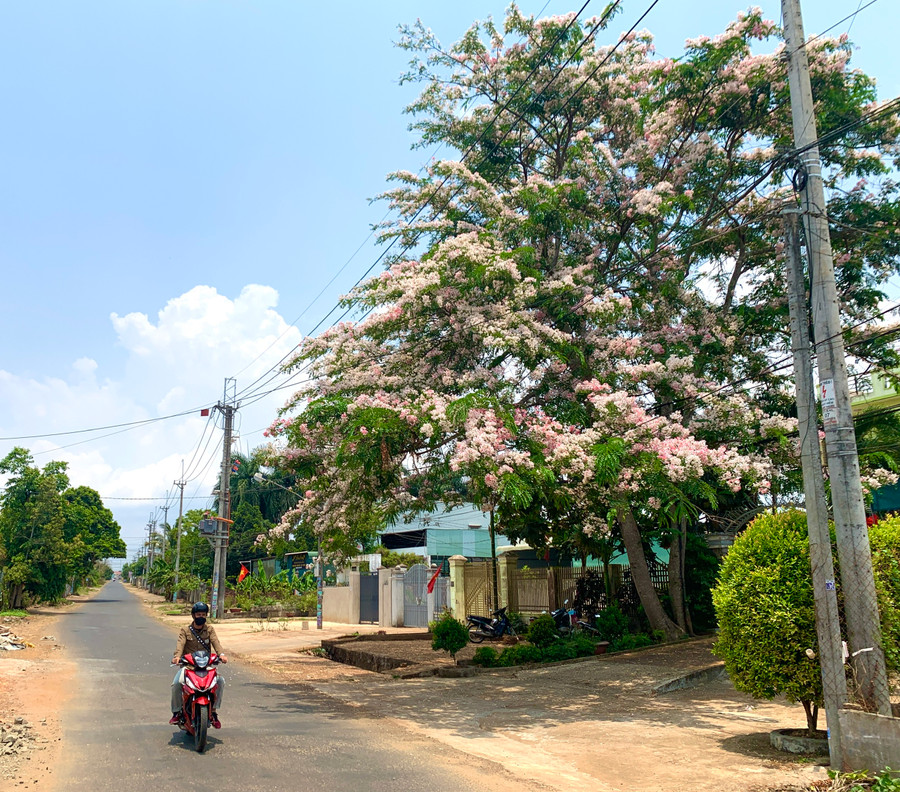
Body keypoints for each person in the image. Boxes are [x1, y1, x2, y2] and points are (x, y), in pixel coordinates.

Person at [169, 602, 228, 728]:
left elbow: (216, 642)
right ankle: (177, 712)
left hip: (206, 666)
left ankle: (214, 711)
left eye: (203, 614)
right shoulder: (185, 630)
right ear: (193, 616)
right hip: (189, 666)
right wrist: (177, 657)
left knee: (220, 681)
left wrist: (221, 654)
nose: (200, 616)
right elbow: (180, 644)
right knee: (176, 684)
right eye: (198, 614)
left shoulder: (210, 629)